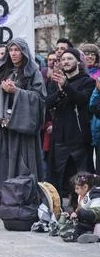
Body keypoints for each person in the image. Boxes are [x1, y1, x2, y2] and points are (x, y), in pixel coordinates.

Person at [0, 38, 46, 221]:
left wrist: (17, 92)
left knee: (21, 165)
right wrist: (1, 90)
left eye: (17, 50)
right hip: (2, 128)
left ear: (24, 52)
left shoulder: (33, 72)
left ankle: (21, 201)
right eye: (11, 50)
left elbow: (39, 99)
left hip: (21, 130)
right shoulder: (0, 71)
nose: (14, 53)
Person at [47, 48, 95, 207]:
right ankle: (57, 211)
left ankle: (81, 210)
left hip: (79, 138)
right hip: (60, 137)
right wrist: (60, 90)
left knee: (81, 178)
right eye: (63, 59)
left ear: (78, 62)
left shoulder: (87, 81)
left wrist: (66, 85)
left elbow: (81, 99)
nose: (65, 61)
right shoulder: (56, 82)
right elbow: (49, 102)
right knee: (58, 177)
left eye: (70, 58)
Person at [62, 172, 100, 243]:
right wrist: (70, 214)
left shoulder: (95, 194)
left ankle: (95, 236)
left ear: (85, 187)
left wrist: (78, 213)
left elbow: (96, 213)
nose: (75, 191)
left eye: (77, 188)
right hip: (89, 222)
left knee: (98, 226)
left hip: (96, 221)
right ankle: (88, 233)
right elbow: (75, 208)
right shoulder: (81, 194)